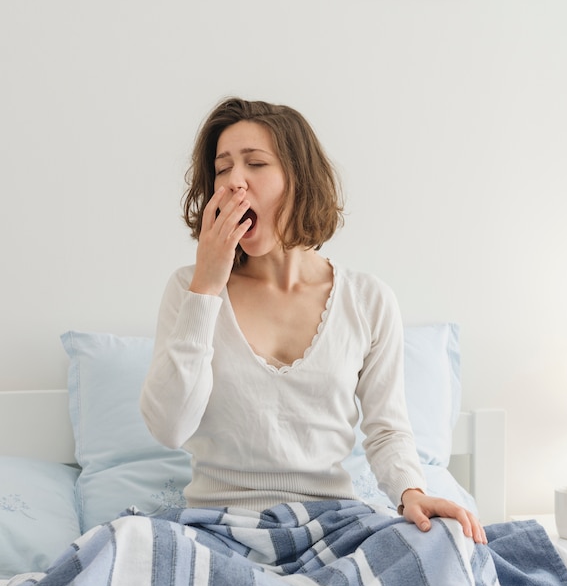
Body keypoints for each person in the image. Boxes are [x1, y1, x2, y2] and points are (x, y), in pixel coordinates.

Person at [140, 96, 486, 545]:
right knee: (124, 556)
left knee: (449, 550)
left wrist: (410, 493)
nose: (234, 183)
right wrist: (206, 286)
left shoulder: (368, 299)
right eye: (223, 169)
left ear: (299, 181)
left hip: (333, 528)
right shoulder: (190, 290)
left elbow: (387, 430)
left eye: (256, 164)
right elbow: (169, 428)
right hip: (216, 532)